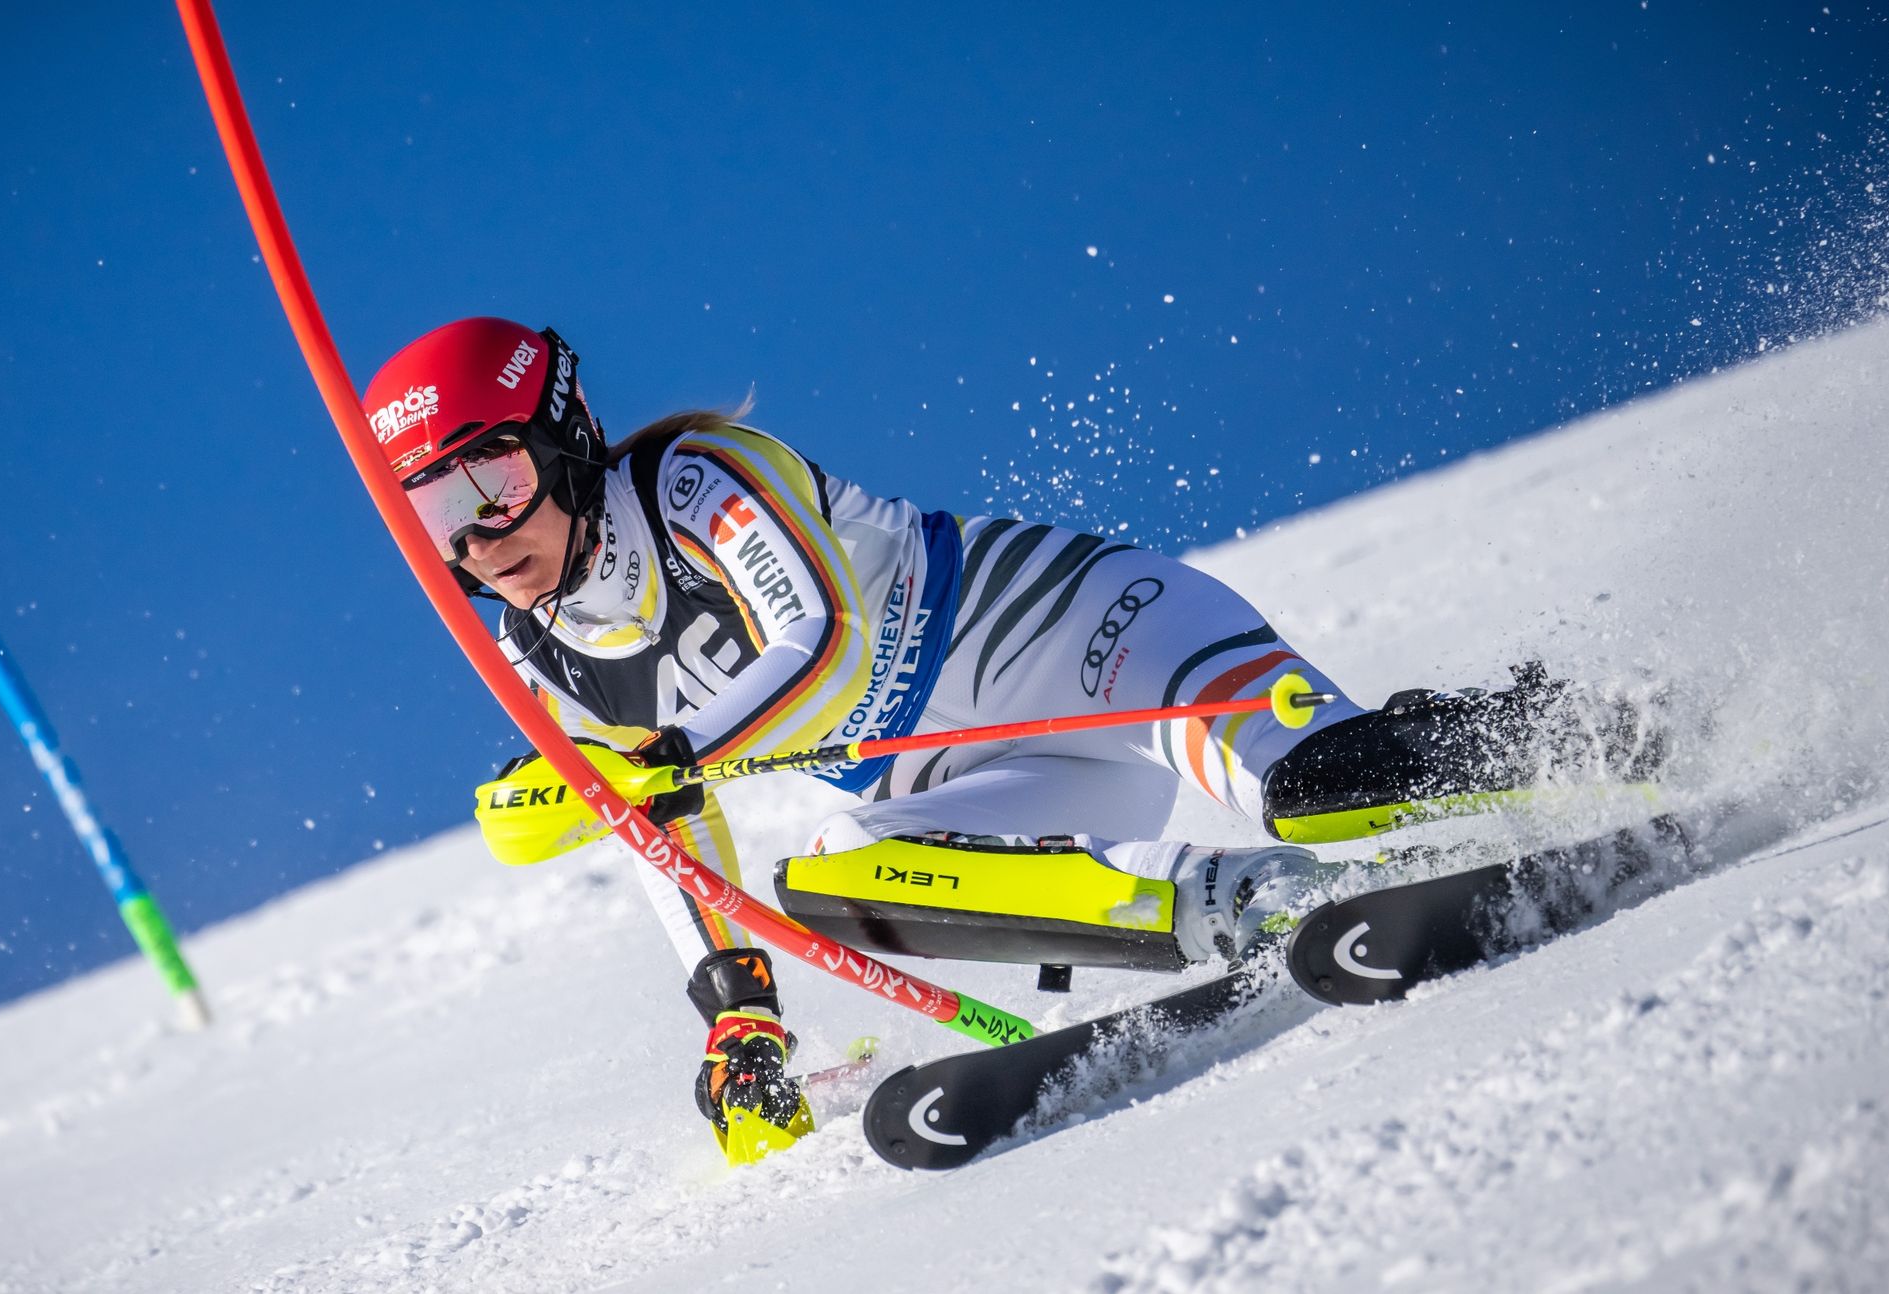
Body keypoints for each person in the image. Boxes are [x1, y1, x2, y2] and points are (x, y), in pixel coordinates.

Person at [362, 317, 1660, 1165]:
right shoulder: (540, 646)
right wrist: (735, 1011)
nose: (479, 539)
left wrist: (660, 754)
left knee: (1325, 783)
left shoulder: (702, 478)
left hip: (1098, 651)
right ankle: (1268, 909)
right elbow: (666, 829)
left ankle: (1616, 733)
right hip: (982, 780)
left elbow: (822, 637)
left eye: (493, 482)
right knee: (840, 877)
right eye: (436, 519)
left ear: (564, 437)